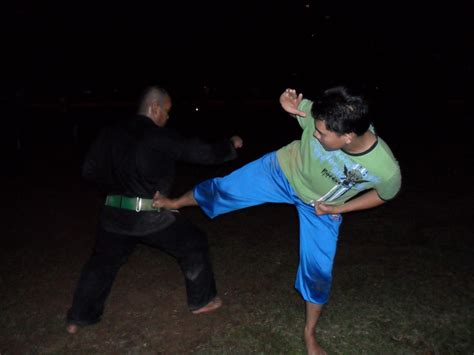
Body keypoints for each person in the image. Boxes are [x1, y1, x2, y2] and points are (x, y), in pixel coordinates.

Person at [153, 86, 401, 354]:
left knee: (318, 272)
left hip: (320, 208)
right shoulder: (319, 114)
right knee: (223, 189)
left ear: (348, 137)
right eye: (315, 128)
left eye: (322, 134)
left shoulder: (384, 167)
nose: (315, 134)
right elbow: (297, 105)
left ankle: (310, 335)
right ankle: (176, 202)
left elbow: (384, 195)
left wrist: (339, 209)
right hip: (281, 171)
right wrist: (285, 102)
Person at [66, 85, 243, 334]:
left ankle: (79, 317)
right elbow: (199, 152)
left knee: (102, 263)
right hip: (149, 217)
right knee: (194, 242)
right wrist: (230, 146)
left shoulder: (109, 133)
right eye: (167, 111)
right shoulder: (159, 136)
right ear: (155, 108)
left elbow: (89, 170)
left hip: (114, 216)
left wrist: (117, 191)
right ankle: (202, 301)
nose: (168, 117)